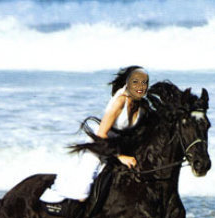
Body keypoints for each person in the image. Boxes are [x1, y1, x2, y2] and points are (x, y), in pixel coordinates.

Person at [40, 66, 149, 206]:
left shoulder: (142, 105)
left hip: (121, 144)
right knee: (82, 193)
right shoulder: (120, 101)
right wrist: (119, 156)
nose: (141, 86)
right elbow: (101, 134)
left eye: (144, 82)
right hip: (102, 144)